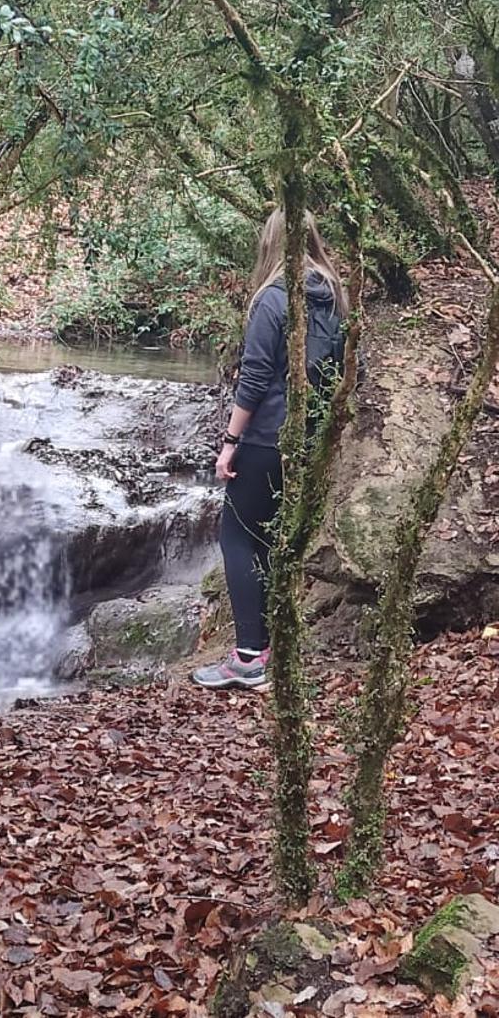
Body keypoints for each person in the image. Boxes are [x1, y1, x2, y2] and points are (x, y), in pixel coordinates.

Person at [191, 209, 347, 691]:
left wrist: (230, 443)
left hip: (265, 438)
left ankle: (247, 658)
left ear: (271, 244)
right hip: (309, 439)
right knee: (274, 541)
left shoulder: (274, 300)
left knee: (238, 539)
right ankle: (271, 648)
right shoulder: (335, 297)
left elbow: (255, 377)